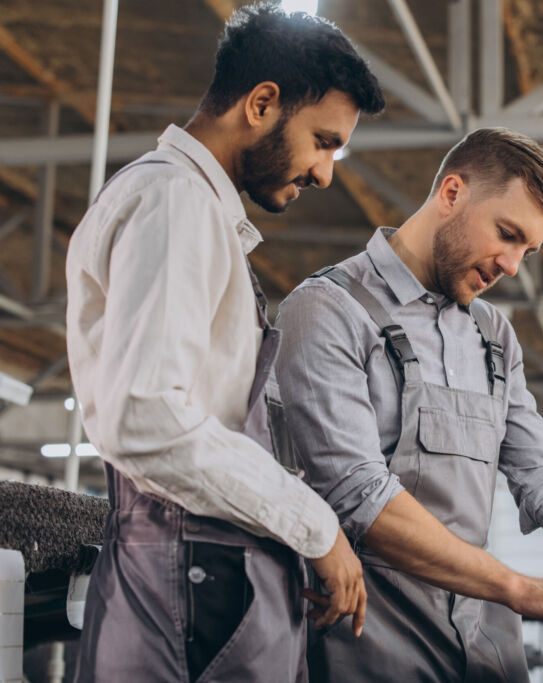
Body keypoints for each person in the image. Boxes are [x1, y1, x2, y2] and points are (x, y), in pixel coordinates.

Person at [274, 127, 543, 682]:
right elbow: (360, 496)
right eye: (507, 234)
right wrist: (518, 586)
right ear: (453, 193)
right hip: (369, 642)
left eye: (527, 251)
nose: (512, 265)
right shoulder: (328, 311)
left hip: (483, 644)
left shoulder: (491, 334)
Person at [64, 4, 385, 682]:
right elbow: (146, 414)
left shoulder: (198, 209)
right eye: (323, 140)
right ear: (263, 103)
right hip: (186, 578)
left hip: (199, 573)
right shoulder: (175, 201)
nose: (326, 172)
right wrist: (313, 524)